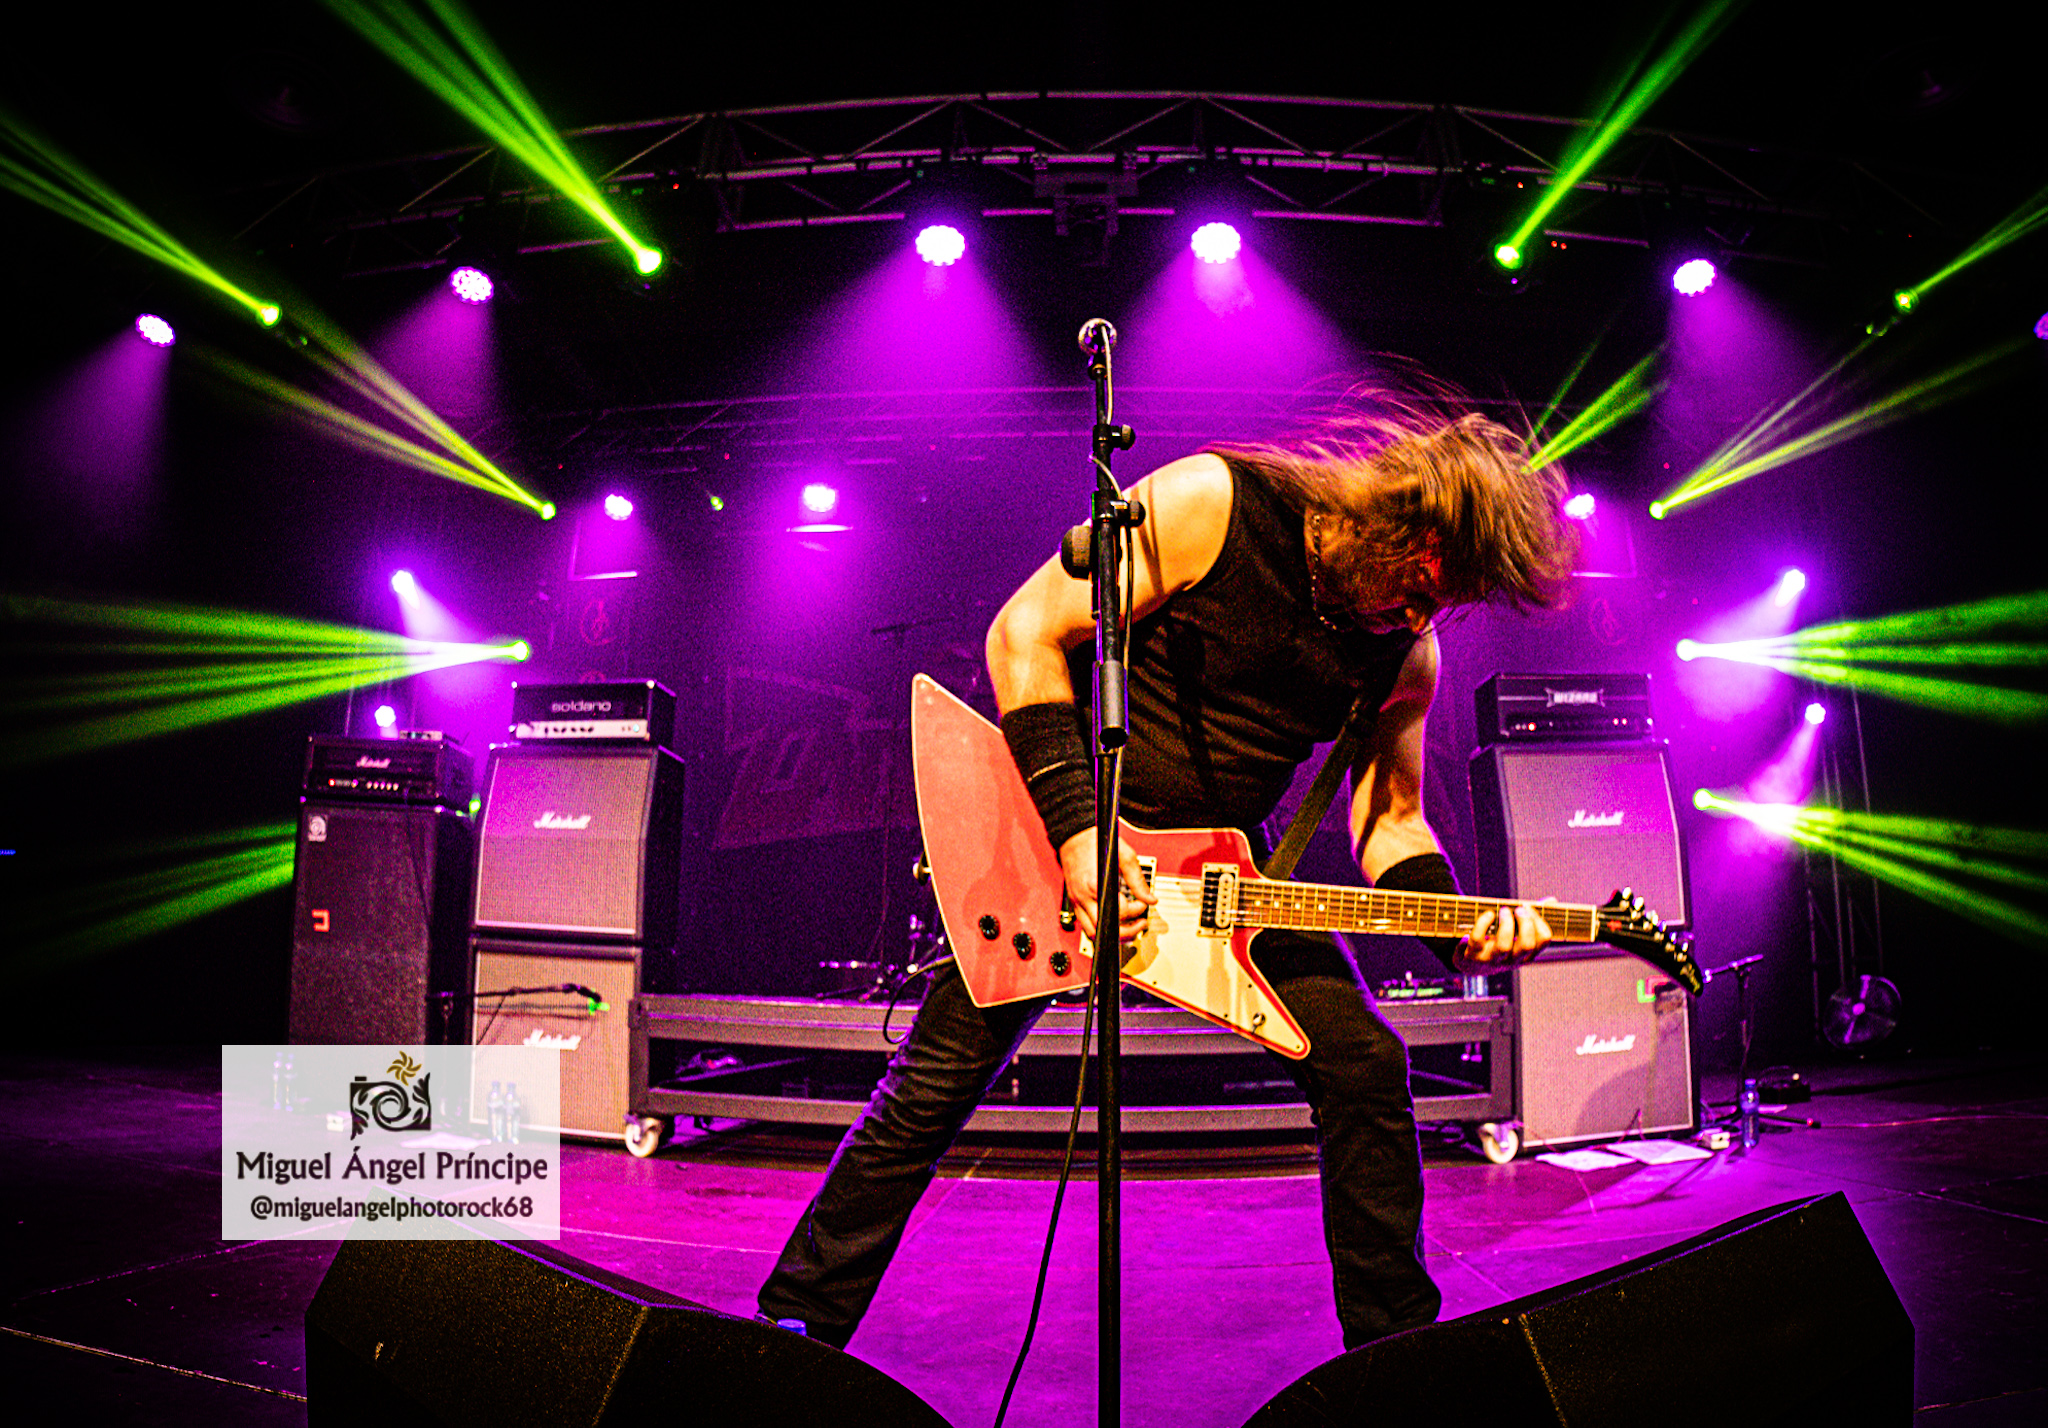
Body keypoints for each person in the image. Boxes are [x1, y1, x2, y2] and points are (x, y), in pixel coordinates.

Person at [758, 400, 1579, 1351]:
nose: (1425, 614)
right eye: (1427, 582)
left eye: (1452, 602)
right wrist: (1080, 837)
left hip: (1229, 875)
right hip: (1061, 838)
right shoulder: (1216, 502)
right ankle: (795, 1330)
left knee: (1365, 1066)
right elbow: (1024, 635)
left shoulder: (1406, 652)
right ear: (1400, 521)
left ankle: (1394, 1355)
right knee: (932, 1087)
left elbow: (1390, 822)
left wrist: (1456, 927)